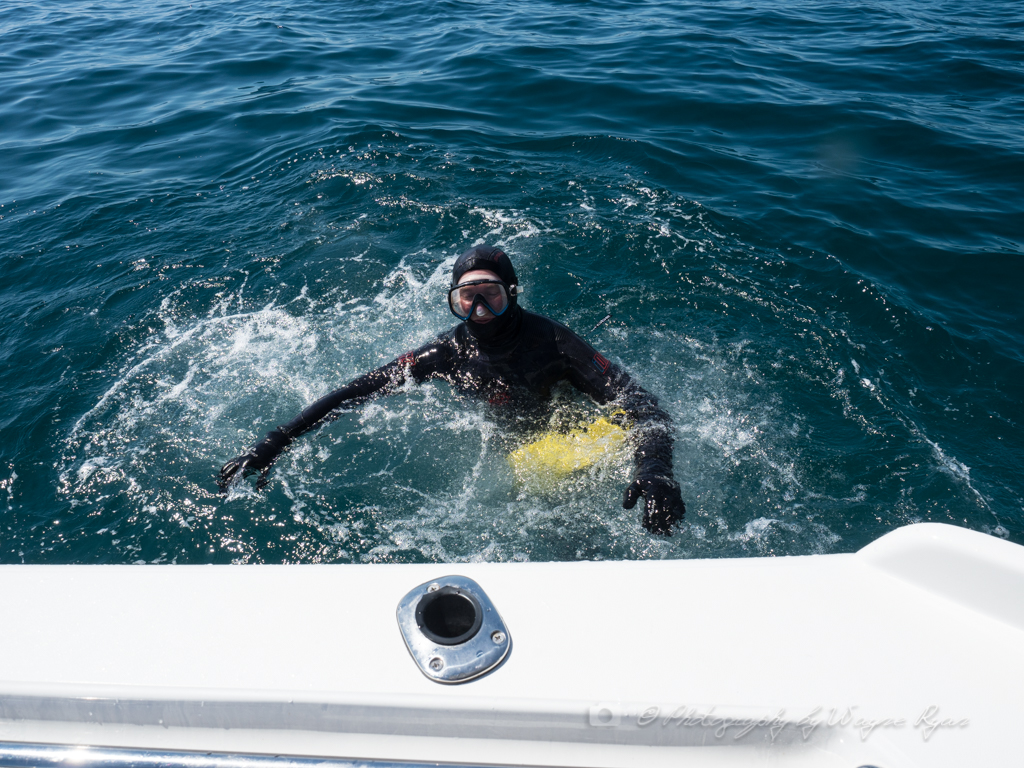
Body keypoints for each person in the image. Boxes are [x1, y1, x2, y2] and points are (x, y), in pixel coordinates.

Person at [218, 245, 685, 535]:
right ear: (454, 301)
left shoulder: (555, 342)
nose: (479, 307)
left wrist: (655, 468)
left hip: (573, 431)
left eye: (491, 293)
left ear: (512, 294)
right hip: (514, 445)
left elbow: (643, 406)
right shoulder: (445, 353)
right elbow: (355, 391)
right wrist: (277, 440)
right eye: (467, 296)